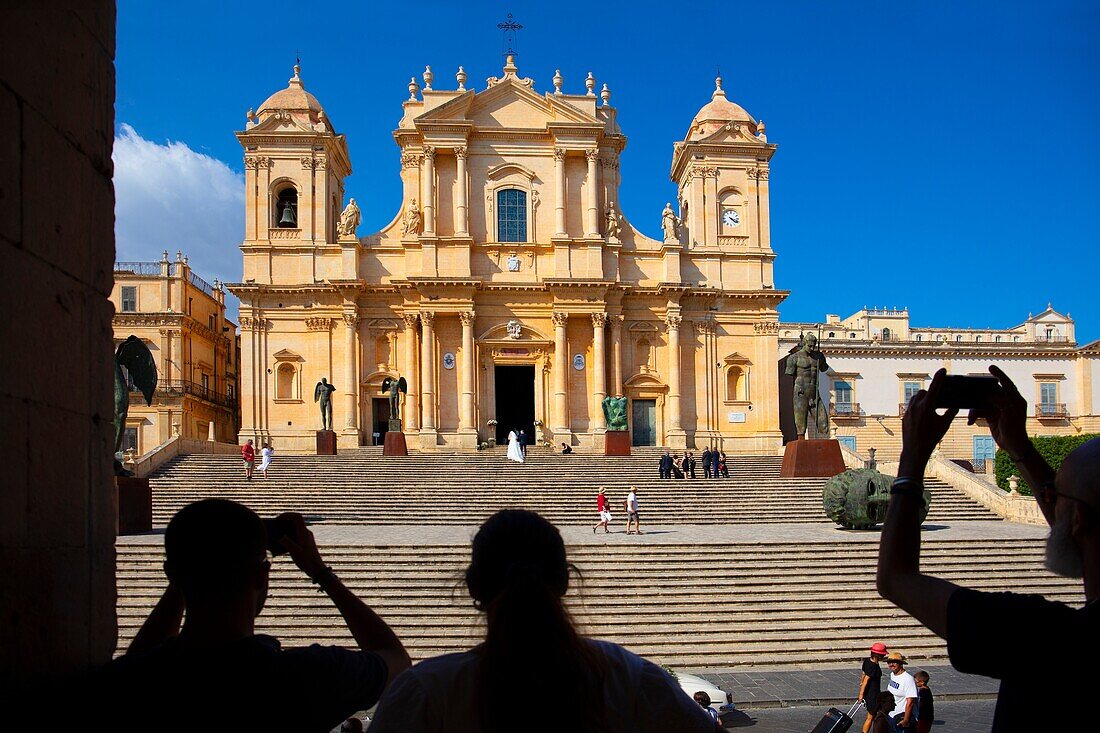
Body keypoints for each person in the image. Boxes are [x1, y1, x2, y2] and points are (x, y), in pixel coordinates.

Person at [877, 366, 1100, 731]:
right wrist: (1020, 446)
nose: (1050, 498)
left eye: (1057, 495)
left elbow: (895, 579)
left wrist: (912, 459)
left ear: (1077, 521)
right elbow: (1077, 514)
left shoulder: (1045, 636)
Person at [367, 510, 718, 733]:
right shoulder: (633, 681)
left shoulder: (425, 693)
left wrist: (324, 573)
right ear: (565, 581)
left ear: (473, 586)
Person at [89, 499, 410, 731]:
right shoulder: (309, 676)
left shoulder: (131, 684)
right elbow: (396, 659)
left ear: (173, 574)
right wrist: (320, 572)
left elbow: (140, 662)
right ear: (262, 576)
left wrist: (183, 579)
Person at [858, 643, 887, 733]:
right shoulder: (874, 666)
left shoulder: (867, 661)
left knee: (875, 715)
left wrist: (861, 683)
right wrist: (861, 694)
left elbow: (863, 674)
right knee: (870, 717)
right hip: (873, 694)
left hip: (869, 692)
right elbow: (866, 679)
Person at [884, 652, 916, 731]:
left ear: (901, 664)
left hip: (901, 717)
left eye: (894, 662)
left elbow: (910, 702)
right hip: (891, 715)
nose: (891, 665)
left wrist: (905, 720)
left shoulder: (908, 679)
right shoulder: (893, 675)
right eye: (889, 662)